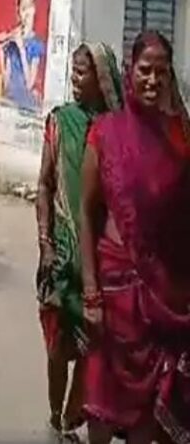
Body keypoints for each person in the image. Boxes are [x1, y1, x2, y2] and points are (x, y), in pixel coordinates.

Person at [80, 31, 190, 444]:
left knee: (149, 413)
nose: (153, 80)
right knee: (104, 404)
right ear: (130, 72)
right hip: (114, 292)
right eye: (146, 70)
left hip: (164, 299)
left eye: (162, 72)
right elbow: (87, 214)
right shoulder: (105, 134)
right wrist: (90, 292)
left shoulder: (179, 138)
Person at [35, 43, 123, 441]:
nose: (75, 79)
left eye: (83, 72)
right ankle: (55, 418)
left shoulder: (118, 131)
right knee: (56, 348)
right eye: (72, 71)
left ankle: (73, 418)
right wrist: (45, 243)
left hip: (102, 261)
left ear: (101, 78)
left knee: (93, 351)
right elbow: (44, 184)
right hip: (62, 257)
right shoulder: (59, 121)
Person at [0, 0, 46, 112]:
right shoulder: (12, 42)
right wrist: (1, 52)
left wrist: (22, 49)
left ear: (35, 8)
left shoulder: (36, 44)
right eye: (23, 8)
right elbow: (6, 83)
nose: (27, 13)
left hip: (26, 107)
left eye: (30, 6)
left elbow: (29, 84)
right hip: (10, 103)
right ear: (18, 11)